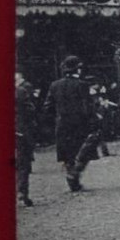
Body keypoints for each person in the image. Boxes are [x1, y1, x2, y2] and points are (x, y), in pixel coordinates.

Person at [42, 55, 97, 192]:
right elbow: (88, 107)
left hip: (62, 124)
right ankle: (75, 176)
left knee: (68, 154)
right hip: (80, 124)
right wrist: (93, 122)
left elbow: (47, 107)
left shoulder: (54, 85)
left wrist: (55, 119)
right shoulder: (82, 85)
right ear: (77, 69)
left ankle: (73, 181)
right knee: (83, 152)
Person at [15, 71, 36, 207]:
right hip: (20, 130)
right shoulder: (20, 91)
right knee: (23, 162)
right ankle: (23, 191)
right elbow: (30, 110)